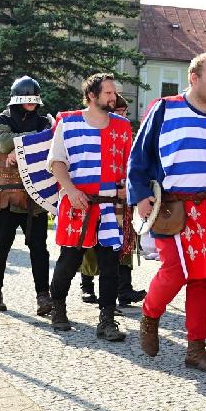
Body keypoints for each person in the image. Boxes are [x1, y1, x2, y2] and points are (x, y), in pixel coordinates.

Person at [130, 52, 206, 373]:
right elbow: (139, 157)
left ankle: (197, 348)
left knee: (204, 279)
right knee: (175, 271)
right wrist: (140, 196)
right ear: (194, 78)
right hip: (174, 207)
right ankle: (150, 315)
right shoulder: (165, 108)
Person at [45, 73, 131, 341]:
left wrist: (125, 188)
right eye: (107, 93)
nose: (112, 97)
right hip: (77, 204)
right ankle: (58, 307)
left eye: (113, 93)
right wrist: (70, 191)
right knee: (69, 260)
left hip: (108, 206)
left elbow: (130, 164)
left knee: (109, 264)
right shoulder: (68, 123)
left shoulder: (122, 126)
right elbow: (56, 161)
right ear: (92, 96)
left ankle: (106, 320)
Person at [0, 78, 54, 315]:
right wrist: (31, 142)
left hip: (36, 196)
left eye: (34, 101)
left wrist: (21, 147)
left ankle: (43, 296)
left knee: (39, 249)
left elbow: (50, 142)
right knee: (0, 247)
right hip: (7, 194)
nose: (32, 105)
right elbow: (4, 144)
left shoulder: (46, 121)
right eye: (27, 101)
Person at [78, 93, 144, 308]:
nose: (122, 116)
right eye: (118, 112)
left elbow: (133, 164)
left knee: (122, 244)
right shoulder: (91, 131)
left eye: (124, 112)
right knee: (91, 243)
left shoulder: (126, 133)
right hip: (96, 198)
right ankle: (86, 286)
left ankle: (124, 289)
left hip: (121, 199)